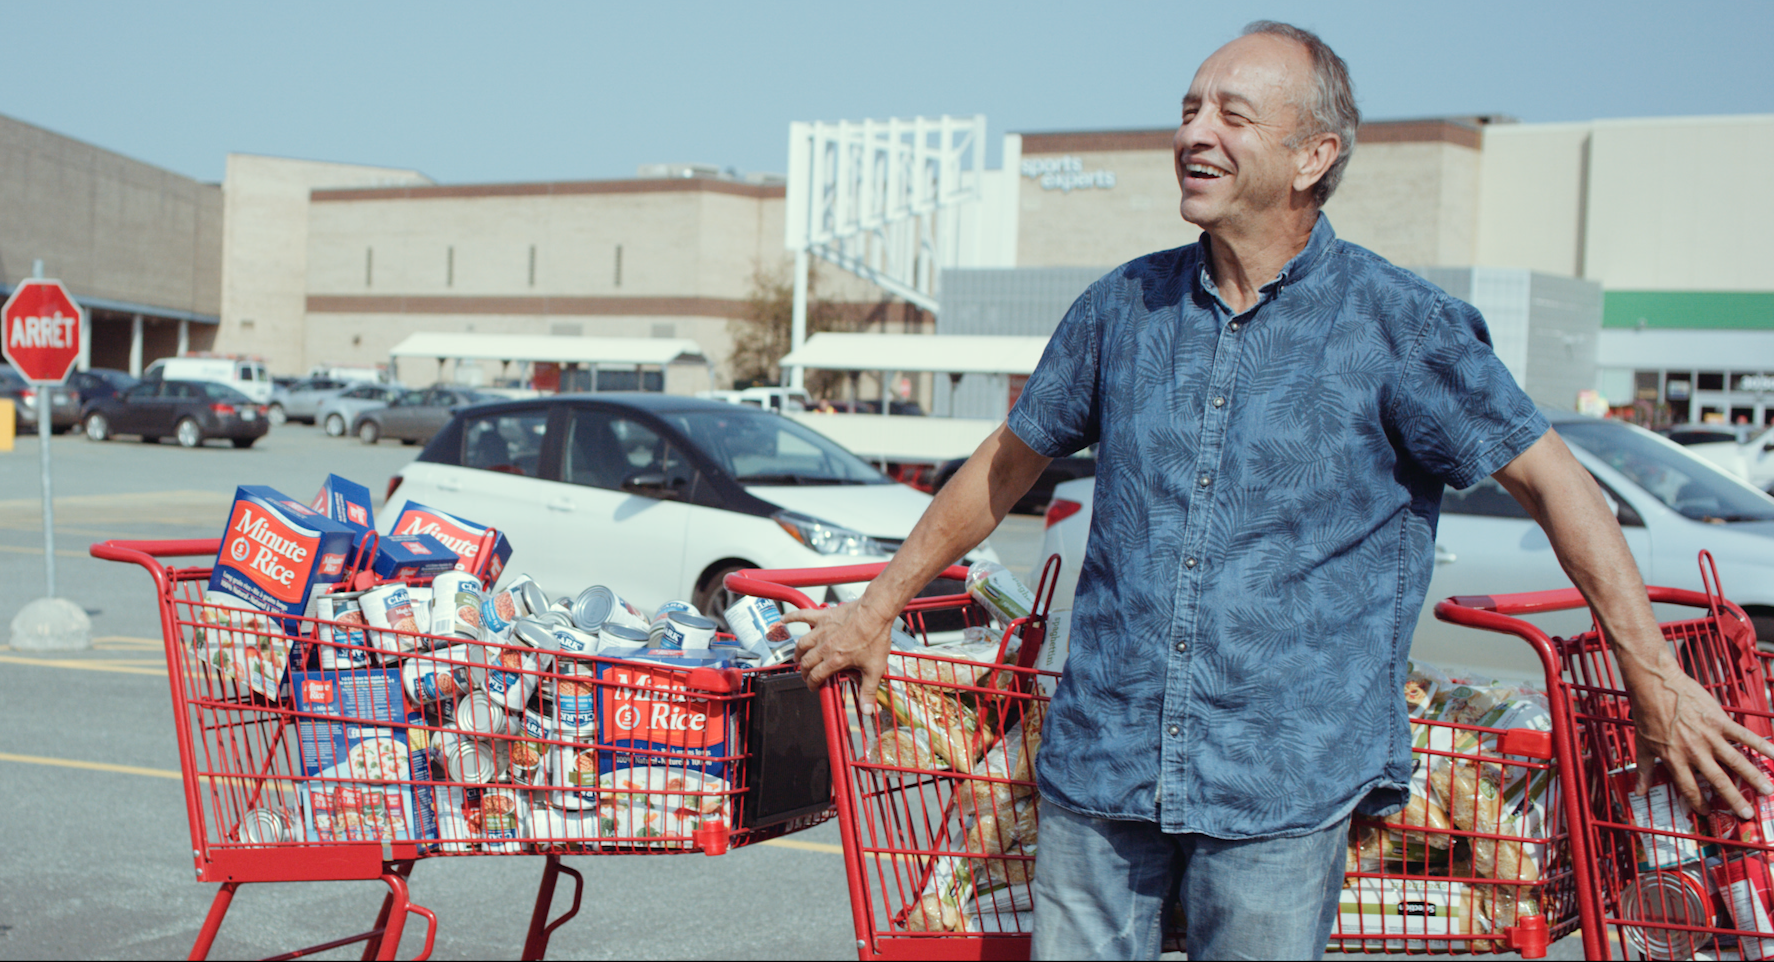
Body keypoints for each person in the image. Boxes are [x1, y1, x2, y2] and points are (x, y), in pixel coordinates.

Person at [786, 20, 1774, 961]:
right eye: (1186, 109)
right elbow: (1002, 469)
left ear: (1312, 157)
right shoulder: (1121, 308)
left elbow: (1562, 487)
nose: (1192, 134)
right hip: (1102, 768)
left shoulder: (1402, 326)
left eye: (1229, 114)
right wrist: (877, 608)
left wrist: (1651, 679)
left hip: (1280, 793)